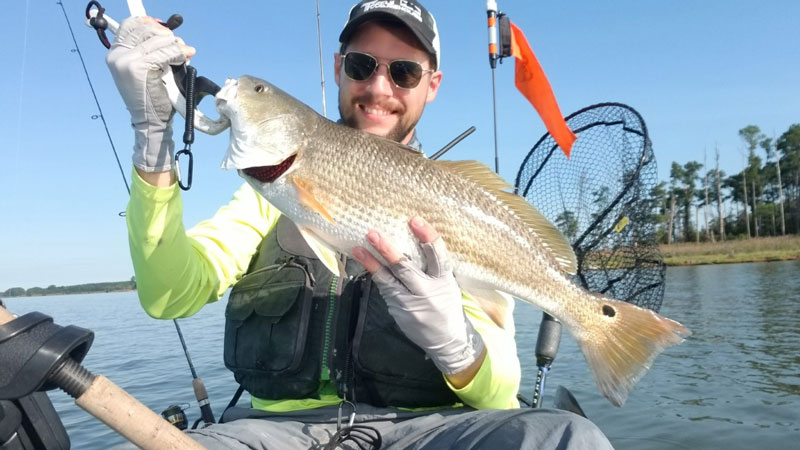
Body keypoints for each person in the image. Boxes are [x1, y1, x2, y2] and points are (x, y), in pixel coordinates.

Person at [106, 1, 614, 448]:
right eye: (361, 64)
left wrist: (455, 344)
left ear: (432, 84)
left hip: (428, 429)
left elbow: (500, 392)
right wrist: (153, 142)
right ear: (339, 68)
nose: (378, 87)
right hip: (274, 433)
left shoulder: (458, 203)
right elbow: (168, 296)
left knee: (571, 439)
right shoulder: (266, 199)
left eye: (405, 73)